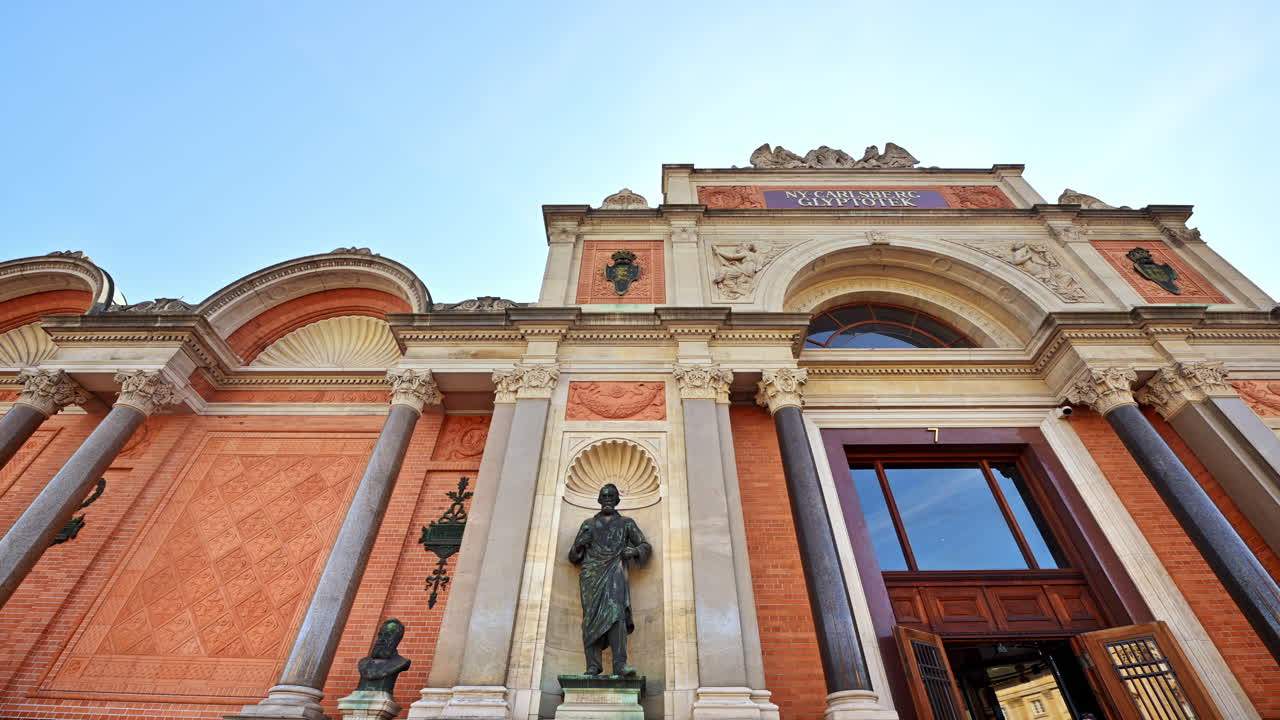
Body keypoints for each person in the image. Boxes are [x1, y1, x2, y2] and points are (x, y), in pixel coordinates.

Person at [568, 483, 652, 677]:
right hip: (591, 576)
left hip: (615, 571)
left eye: (611, 496)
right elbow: (573, 557)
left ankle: (620, 665)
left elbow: (645, 546)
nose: (607, 499)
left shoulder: (626, 523)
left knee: (617, 616)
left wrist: (634, 551)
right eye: (604, 496)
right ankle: (593, 666)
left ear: (616, 500)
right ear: (599, 499)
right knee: (590, 618)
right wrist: (579, 545)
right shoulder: (588, 524)